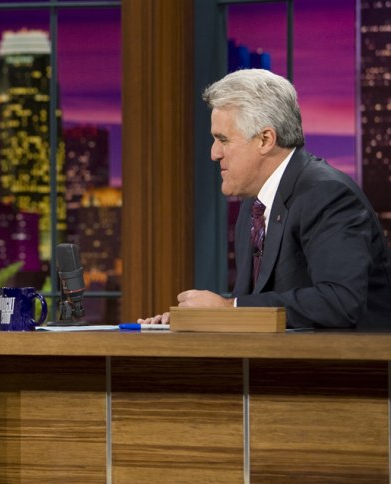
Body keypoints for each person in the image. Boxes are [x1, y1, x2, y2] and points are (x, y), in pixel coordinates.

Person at [140, 69, 391, 330]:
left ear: (265, 139)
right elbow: (256, 303)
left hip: (353, 365)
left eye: (223, 139)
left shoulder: (326, 194)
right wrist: (202, 315)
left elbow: (340, 301)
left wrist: (229, 309)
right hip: (282, 363)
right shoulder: (255, 205)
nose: (214, 153)